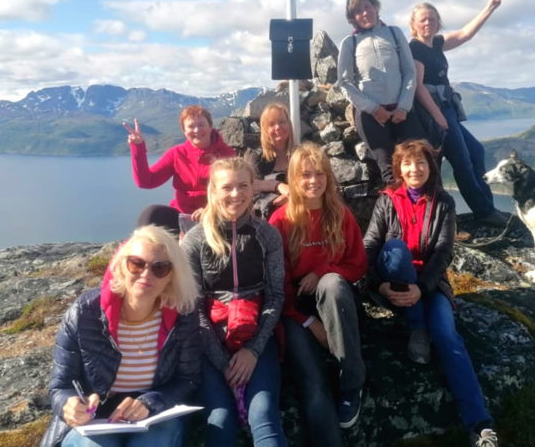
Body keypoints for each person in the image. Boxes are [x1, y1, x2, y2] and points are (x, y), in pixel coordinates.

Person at [363, 140, 499, 447]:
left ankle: (480, 425)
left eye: (421, 163)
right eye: (408, 163)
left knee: (448, 337)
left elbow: (443, 253)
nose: (415, 169)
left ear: (431, 167)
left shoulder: (443, 203)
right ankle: (417, 327)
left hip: (428, 284)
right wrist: (379, 285)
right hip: (393, 285)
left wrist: (421, 288)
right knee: (395, 250)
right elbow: (370, 247)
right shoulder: (387, 200)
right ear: (399, 168)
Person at [41, 225, 202, 447]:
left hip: (155, 415)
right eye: (136, 263)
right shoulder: (84, 312)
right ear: (121, 266)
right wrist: (69, 404)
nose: (146, 274)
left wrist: (150, 402)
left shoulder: (183, 314)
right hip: (96, 417)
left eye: (160, 268)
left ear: (171, 277)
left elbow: (189, 378)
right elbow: (60, 385)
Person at [181, 157, 287, 447]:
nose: (236, 194)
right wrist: (223, 361)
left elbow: (275, 295)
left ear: (254, 188)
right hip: (211, 345)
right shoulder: (195, 240)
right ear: (213, 191)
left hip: (257, 340)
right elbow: (193, 308)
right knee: (221, 420)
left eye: (243, 186)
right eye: (226, 187)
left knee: (264, 415)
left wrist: (252, 350)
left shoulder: (267, 235)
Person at [269, 143, 367, 441]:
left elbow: (358, 264)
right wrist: (311, 324)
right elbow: (278, 287)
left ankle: (352, 382)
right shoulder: (281, 221)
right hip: (295, 309)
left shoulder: (340, 214)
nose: (314, 181)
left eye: (320, 173)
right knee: (313, 384)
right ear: (294, 180)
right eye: (305, 175)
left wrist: (322, 271)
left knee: (333, 283)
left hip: (335, 301)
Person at [409, 0, 506, 227]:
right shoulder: (415, 48)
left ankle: (488, 207)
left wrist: (489, 8)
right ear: (413, 24)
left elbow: (464, 34)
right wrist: (439, 117)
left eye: (432, 18)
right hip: (437, 111)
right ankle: (484, 212)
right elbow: (419, 87)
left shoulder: (437, 44)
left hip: (447, 108)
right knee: (461, 159)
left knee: (477, 151)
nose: (428, 22)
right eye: (422, 19)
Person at [337, 0, 424, 185]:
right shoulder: (349, 43)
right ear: (352, 18)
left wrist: (403, 107)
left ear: (376, 8)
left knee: (417, 163)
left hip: (402, 110)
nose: (365, 13)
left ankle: (424, 213)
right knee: (388, 170)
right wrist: (374, 109)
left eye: (367, 7)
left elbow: (409, 72)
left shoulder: (394, 33)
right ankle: (398, 215)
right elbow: (344, 82)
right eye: (358, 11)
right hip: (370, 116)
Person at [124, 105, 236, 234]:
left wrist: (210, 210)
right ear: (184, 130)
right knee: (151, 214)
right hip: (182, 215)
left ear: (210, 126)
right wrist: (138, 147)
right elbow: (146, 181)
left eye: (201, 124)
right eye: (191, 126)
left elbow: (232, 192)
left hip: (213, 215)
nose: (197, 130)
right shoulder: (177, 154)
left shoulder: (227, 155)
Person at [246, 103, 294, 219]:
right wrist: (278, 188)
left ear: (289, 124)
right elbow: (251, 190)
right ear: (264, 129)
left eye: (282, 122)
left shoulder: (299, 155)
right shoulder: (256, 157)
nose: (278, 127)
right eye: (271, 124)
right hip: (267, 219)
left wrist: (293, 196)